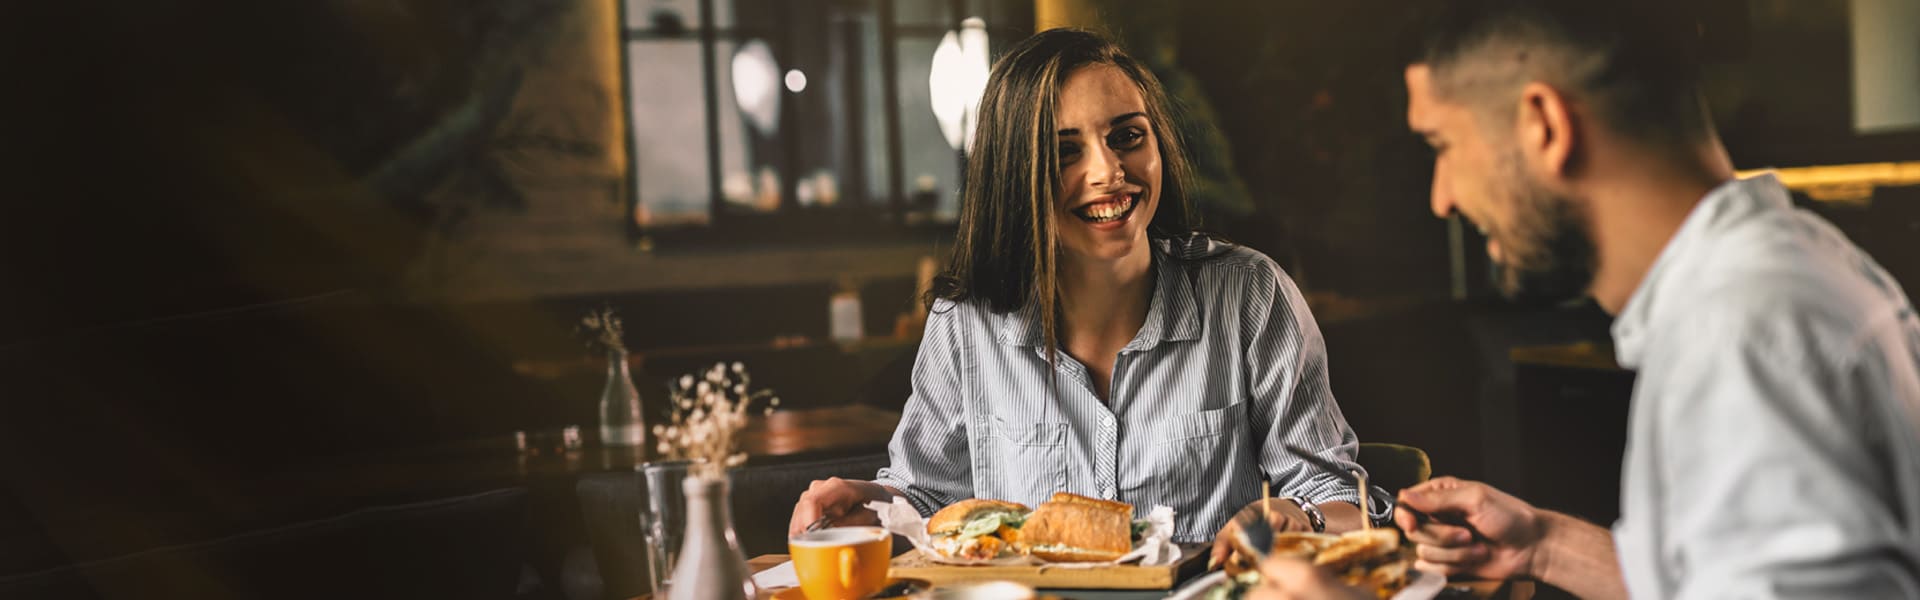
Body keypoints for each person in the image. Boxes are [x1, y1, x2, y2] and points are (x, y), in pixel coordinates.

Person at [1249, 1, 1920, 598]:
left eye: (1443, 146)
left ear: (1544, 123)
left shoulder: (1744, 330)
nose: (1442, 197)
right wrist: (1543, 544)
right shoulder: (1775, 274)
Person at [787, 29, 1390, 555]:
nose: (1108, 172)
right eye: (1064, 151)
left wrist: (1298, 516)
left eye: (1128, 136)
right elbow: (927, 500)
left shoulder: (1249, 296)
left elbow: (1339, 500)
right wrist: (868, 504)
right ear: (1013, 173)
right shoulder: (965, 322)